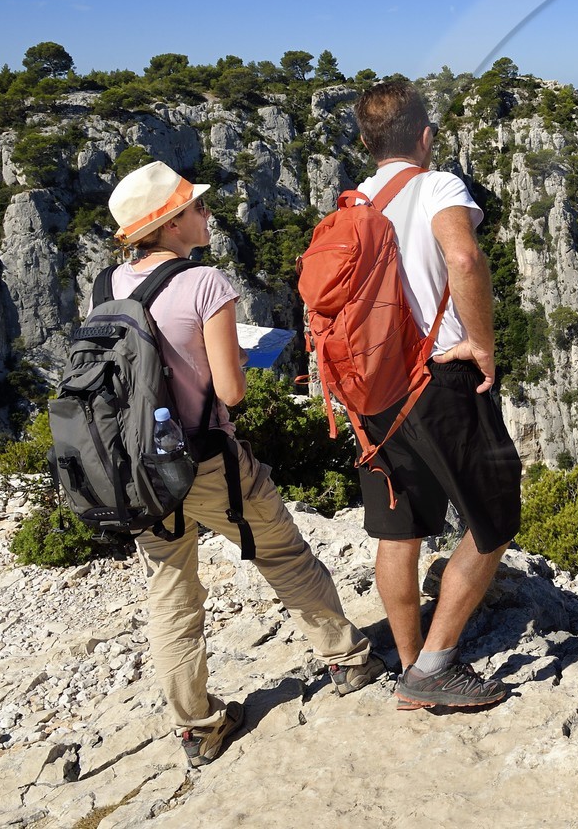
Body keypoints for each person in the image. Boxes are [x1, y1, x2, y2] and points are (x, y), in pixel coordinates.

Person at [104, 161, 385, 766]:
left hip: (139, 468)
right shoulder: (206, 283)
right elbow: (230, 391)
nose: (207, 214)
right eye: (197, 208)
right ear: (172, 222)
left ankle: (198, 726)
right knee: (282, 553)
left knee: (171, 593)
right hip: (205, 460)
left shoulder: (108, 284)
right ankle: (348, 658)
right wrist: (236, 354)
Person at [351, 81, 521, 710]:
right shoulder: (438, 185)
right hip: (438, 380)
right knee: (495, 520)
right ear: (424, 135)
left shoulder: (353, 204)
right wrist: (483, 343)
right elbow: (464, 259)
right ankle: (435, 666)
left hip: (372, 389)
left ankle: (407, 663)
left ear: (367, 143)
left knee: (400, 531)